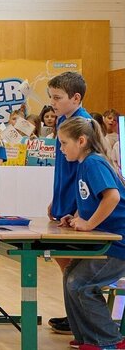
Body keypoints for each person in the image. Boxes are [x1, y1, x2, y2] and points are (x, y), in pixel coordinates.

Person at [57, 117, 125, 350]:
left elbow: (112, 196)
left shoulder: (94, 163)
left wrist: (88, 225)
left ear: (82, 141)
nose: (61, 148)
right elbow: (90, 200)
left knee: (80, 283)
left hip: (119, 244)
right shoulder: (84, 164)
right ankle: (87, 337)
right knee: (70, 276)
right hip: (106, 242)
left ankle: (109, 340)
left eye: (64, 143)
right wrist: (76, 217)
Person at [46, 71, 93, 335]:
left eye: (57, 97)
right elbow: (63, 166)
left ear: (76, 98)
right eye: (51, 97)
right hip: (64, 200)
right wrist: (57, 198)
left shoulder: (84, 125)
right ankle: (75, 316)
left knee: (75, 267)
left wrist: (77, 209)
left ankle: (81, 319)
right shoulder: (64, 120)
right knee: (66, 264)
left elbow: (85, 173)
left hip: (78, 207)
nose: (53, 103)